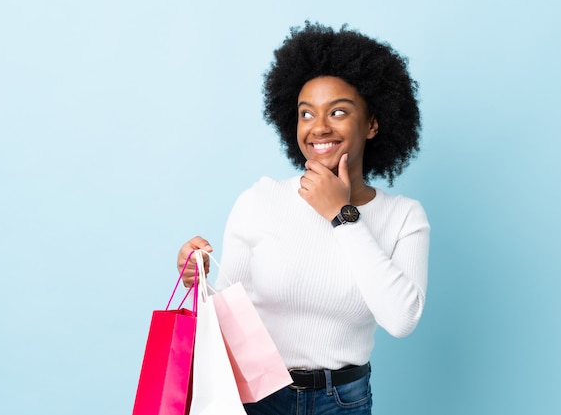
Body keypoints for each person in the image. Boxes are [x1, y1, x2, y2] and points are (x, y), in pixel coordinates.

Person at [177, 21, 429, 415]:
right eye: (306, 113)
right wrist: (200, 276)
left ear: (373, 123)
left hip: (343, 400)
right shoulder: (260, 200)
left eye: (339, 111)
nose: (319, 127)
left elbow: (401, 320)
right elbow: (228, 316)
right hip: (257, 395)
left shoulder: (404, 217)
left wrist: (341, 215)